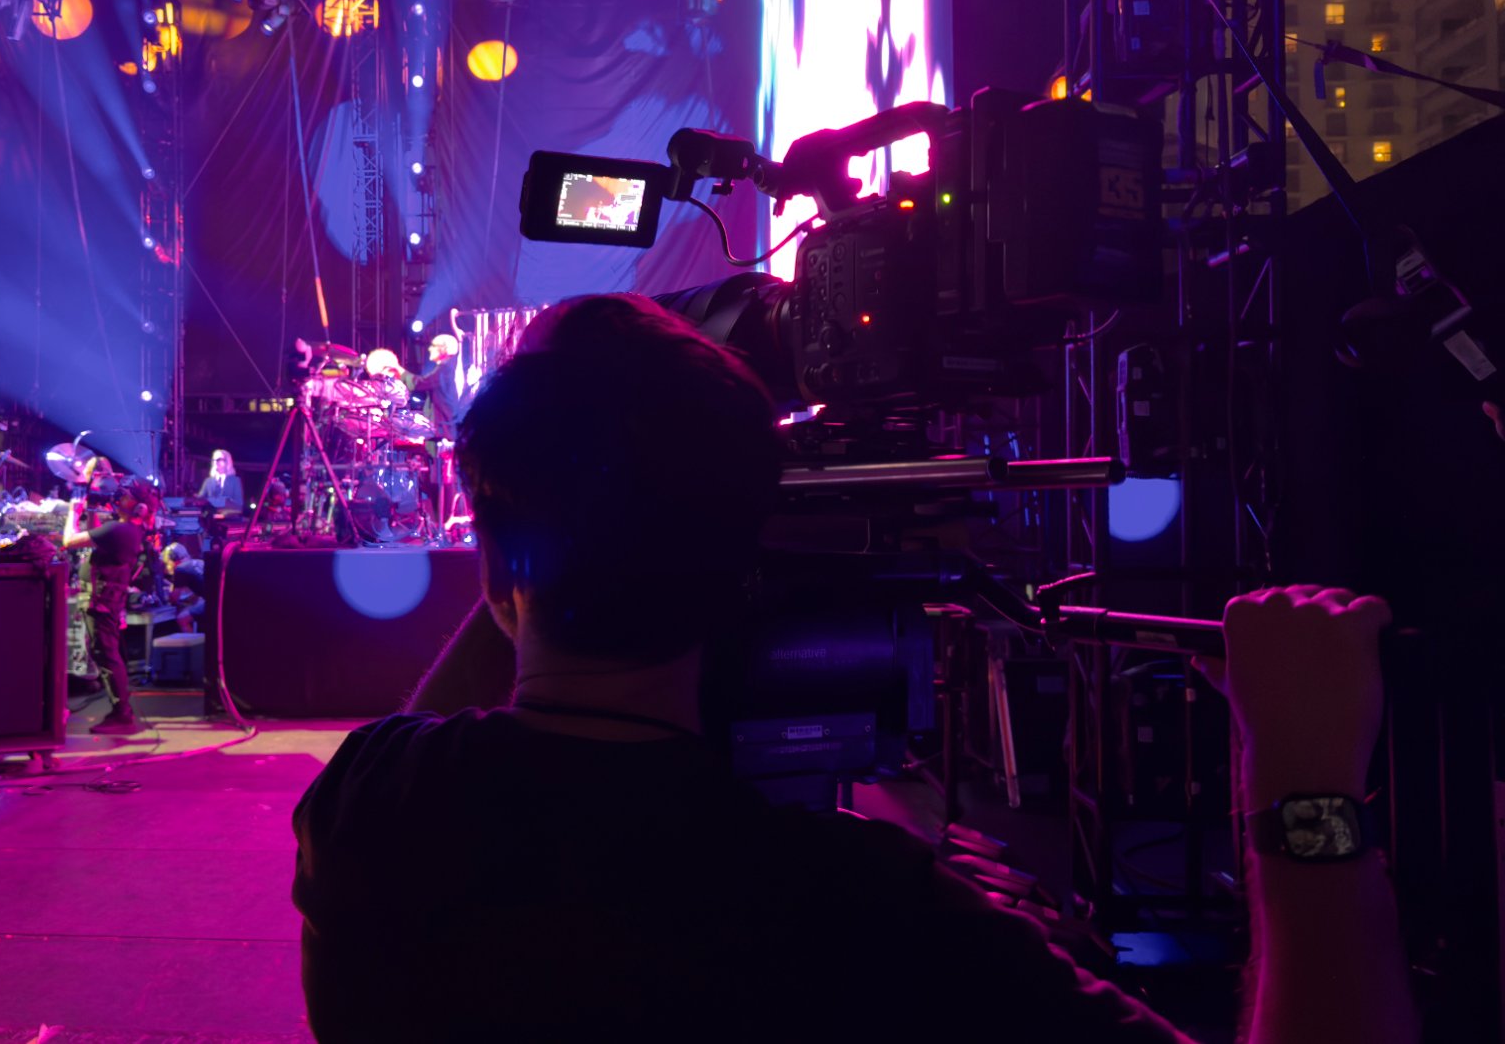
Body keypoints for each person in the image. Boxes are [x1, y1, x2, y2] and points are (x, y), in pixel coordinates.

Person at [292, 294, 1416, 1043]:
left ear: (493, 559)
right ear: (746, 567)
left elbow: (460, 726)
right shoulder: (857, 912)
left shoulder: (371, 808)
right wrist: (1302, 792)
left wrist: (574, 468)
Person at [61, 477, 153, 734]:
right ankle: (120, 710)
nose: (119, 499)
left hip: (101, 600)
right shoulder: (125, 531)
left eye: (125, 496)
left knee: (107, 655)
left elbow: (68, 541)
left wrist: (73, 511)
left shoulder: (120, 530)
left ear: (139, 507)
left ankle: (122, 714)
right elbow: (97, 536)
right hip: (105, 599)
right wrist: (90, 511)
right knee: (106, 653)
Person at [199, 449, 244, 514]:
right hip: (209, 519)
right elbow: (200, 500)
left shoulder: (235, 481)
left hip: (228, 520)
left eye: (220, 459)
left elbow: (239, 505)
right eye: (214, 459)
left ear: (227, 462)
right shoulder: (208, 481)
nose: (216, 462)